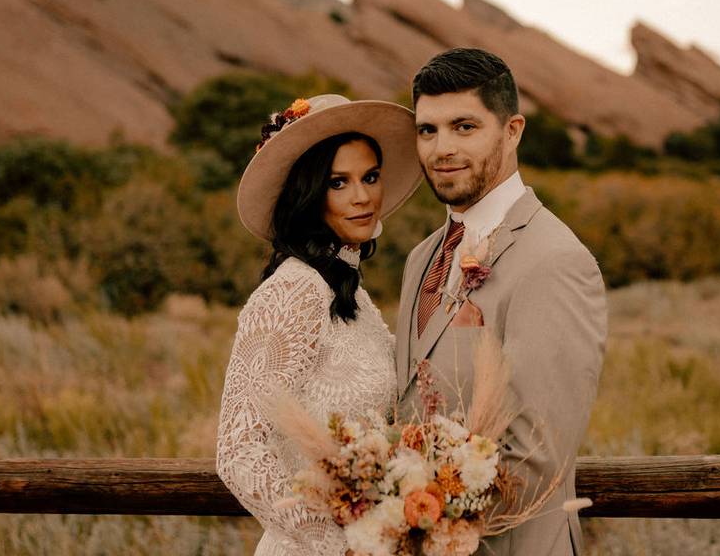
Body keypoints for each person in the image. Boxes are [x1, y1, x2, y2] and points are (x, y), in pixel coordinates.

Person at [395, 48, 608, 556]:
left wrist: (402, 516)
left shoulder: (553, 260)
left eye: (464, 127)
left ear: (512, 131)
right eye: (428, 130)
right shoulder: (421, 257)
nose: (441, 148)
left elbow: (538, 459)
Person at [216, 94, 421, 556]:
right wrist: (337, 547)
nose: (363, 196)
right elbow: (238, 453)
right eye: (338, 182)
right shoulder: (290, 293)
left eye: (370, 177)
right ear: (309, 194)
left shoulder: (351, 294)